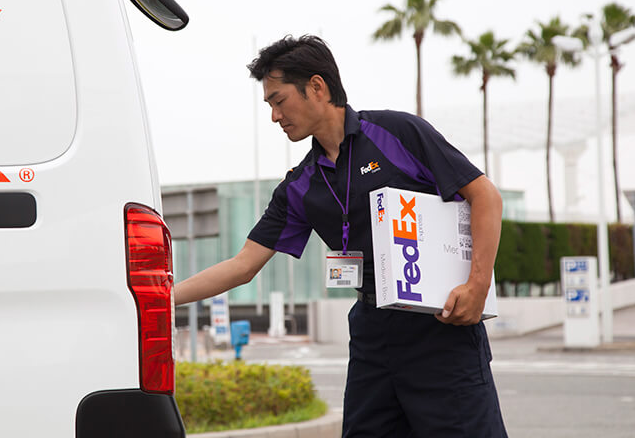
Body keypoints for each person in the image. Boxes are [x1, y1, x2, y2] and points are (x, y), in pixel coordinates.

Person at [173, 35, 507, 437]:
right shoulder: (299, 185)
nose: (275, 116)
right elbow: (243, 265)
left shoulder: (397, 132)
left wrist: (477, 285)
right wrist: (161, 298)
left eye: (279, 101)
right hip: (372, 334)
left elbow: (484, 195)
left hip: (441, 327)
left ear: (317, 87)